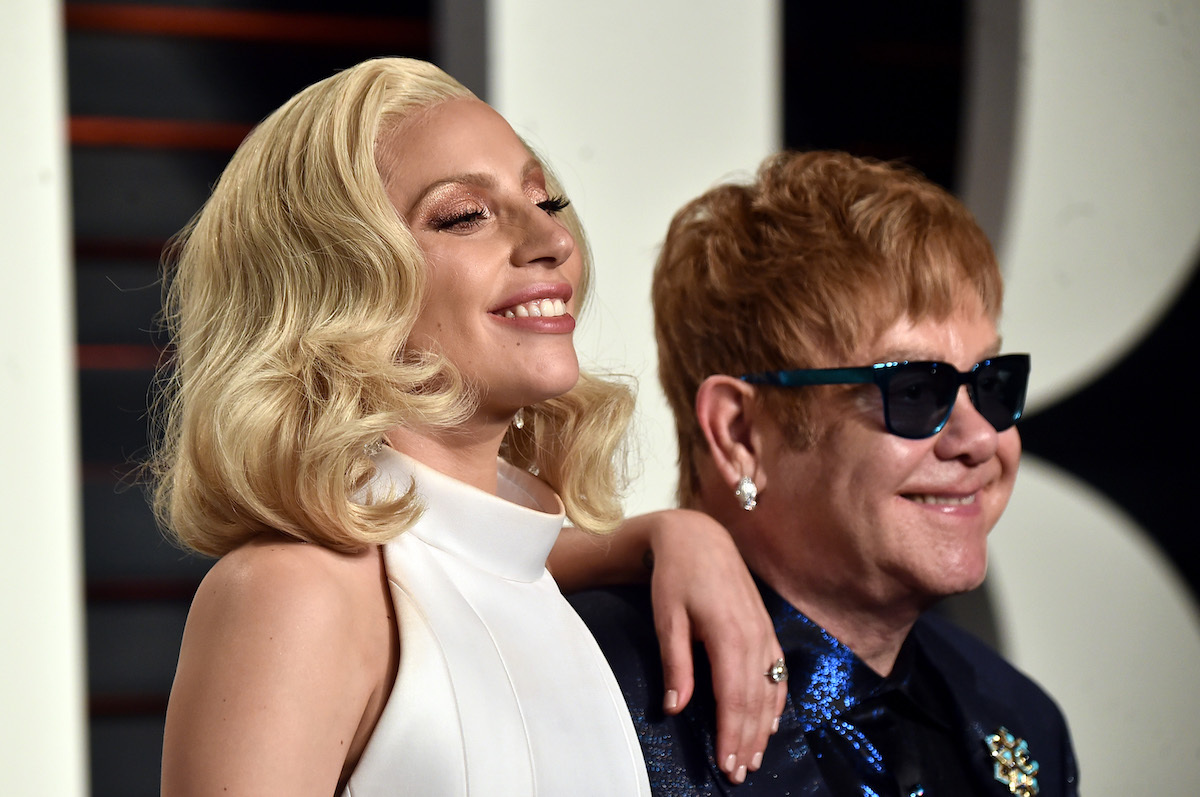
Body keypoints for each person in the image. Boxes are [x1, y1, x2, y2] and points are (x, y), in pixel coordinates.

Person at [154, 57, 783, 795]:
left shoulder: (530, 582)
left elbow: (470, 559)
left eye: (547, 199)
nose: (551, 240)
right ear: (334, 285)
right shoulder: (292, 594)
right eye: (463, 215)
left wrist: (672, 534)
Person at [573, 151, 1079, 795]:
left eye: (991, 382)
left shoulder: (1020, 717)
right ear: (740, 433)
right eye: (916, 391)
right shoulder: (589, 685)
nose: (981, 438)